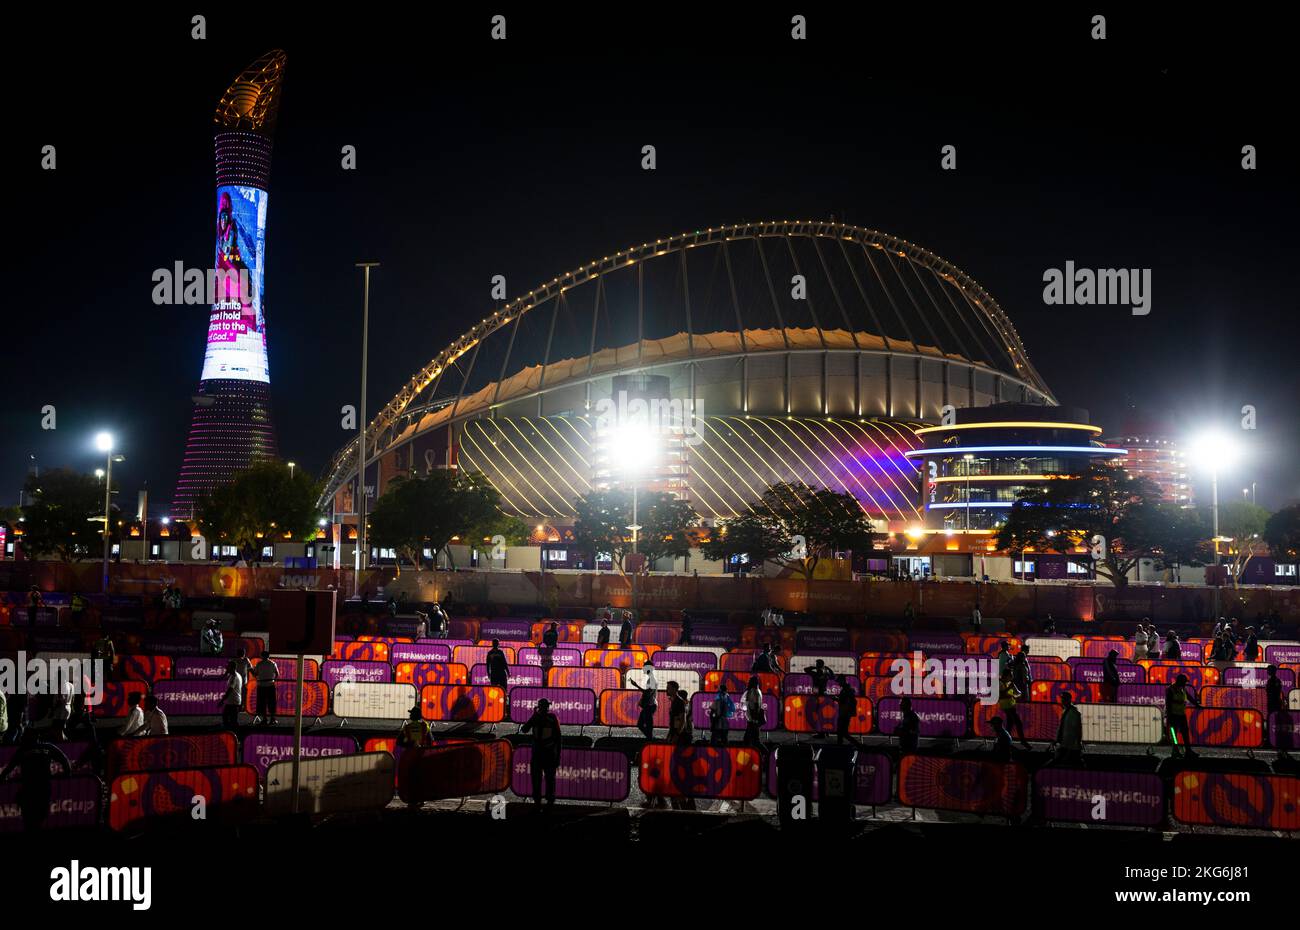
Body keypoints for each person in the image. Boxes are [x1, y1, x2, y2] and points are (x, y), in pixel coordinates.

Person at [0, 730, 70, 831]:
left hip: (31, 790)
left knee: (31, 820)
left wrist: (3, 777)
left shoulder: (24, 749)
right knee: (38, 818)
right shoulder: (47, 747)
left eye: (25, 735)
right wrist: (67, 774)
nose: (22, 738)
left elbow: (9, 768)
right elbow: (65, 761)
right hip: (41, 789)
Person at [520, 698, 562, 806]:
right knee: (544, 779)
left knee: (544, 779)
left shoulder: (550, 718)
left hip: (543, 754)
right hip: (544, 754)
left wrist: (557, 757)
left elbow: (558, 738)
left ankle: (544, 799)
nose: (545, 709)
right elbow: (524, 729)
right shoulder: (548, 718)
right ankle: (544, 799)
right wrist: (557, 757)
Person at [1165, 674, 1199, 758]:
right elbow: (1168, 703)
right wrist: (1169, 716)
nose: (1185, 684)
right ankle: (1175, 751)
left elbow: (1189, 697)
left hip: (1181, 714)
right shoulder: (1170, 689)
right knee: (1174, 733)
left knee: (1185, 733)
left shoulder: (1182, 688)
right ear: (1179, 681)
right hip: (1173, 715)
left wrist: (1197, 705)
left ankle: (1188, 751)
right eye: (1184, 682)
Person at [998, 670, 1032, 750]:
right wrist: (1009, 690)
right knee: (1018, 723)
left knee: (1010, 724)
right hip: (1006, 706)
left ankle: (1005, 741)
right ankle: (1023, 741)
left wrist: (1017, 695)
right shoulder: (999, 683)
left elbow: (1018, 692)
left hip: (1011, 705)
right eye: (1011, 676)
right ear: (1006, 676)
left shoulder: (1010, 683)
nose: (1012, 677)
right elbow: (1000, 695)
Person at [1053, 692, 1083, 764]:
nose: (1062, 700)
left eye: (1064, 698)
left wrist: (1077, 742)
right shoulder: (1067, 711)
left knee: (1058, 762)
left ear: (1069, 700)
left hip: (1069, 745)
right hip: (1066, 744)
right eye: (1062, 698)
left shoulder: (1072, 712)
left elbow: (1077, 729)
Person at [633, 664, 659, 740]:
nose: (643, 669)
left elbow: (648, 692)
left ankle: (651, 739)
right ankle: (650, 738)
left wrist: (636, 685)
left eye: (644, 668)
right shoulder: (651, 679)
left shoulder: (652, 680)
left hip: (650, 705)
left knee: (644, 724)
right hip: (649, 705)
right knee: (644, 724)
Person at [254, 656, 280, 726]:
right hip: (270, 684)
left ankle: (264, 719)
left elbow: (255, 674)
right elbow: (277, 673)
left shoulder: (259, 664)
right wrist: (273, 680)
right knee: (272, 702)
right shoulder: (273, 663)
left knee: (262, 702)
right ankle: (272, 719)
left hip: (261, 685)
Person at [50, 669, 75, 741]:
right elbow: (73, 698)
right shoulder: (71, 685)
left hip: (60, 711)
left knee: (57, 730)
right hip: (68, 708)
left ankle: (65, 743)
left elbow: (60, 700)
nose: (55, 677)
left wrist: (53, 710)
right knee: (59, 729)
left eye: (56, 676)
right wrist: (72, 708)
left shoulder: (61, 686)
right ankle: (66, 741)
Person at [835, 676, 860, 746]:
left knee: (842, 731)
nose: (838, 684)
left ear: (842, 681)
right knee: (841, 731)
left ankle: (856, 744)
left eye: (839, 682)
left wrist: (836, 699)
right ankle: (840, 743)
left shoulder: (847, 690)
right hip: (845, 712)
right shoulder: (846, 689)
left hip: (845, 713)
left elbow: (845, 701)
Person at [742, 676, 765, 746]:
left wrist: (753, 718)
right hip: (753, 718)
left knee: (752, 740)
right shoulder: (758, 691)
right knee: (753, 739)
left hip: (752, 718)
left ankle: (766, 754)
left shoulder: (753, 691)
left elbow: (755, 704)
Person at [221, 660, 244, 730]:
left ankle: (232, 734)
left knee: (230, 719)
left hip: (233, 701)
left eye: (228, 667)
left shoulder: (234, 677)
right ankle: (233, 733)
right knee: (231, 719)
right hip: (233, 700)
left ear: (232, 668)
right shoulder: (235, 675)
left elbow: (230, 690)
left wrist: (222, 700)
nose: (226, 668)